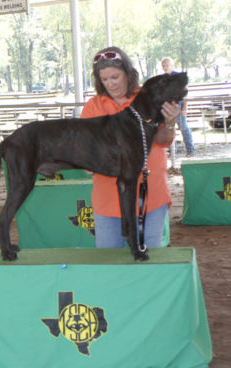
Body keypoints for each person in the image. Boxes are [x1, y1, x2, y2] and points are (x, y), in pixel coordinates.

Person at [81, 46, 180, 249]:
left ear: (127, 72)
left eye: (115, 77)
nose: (110, 84)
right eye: (105, 79)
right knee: (111, 266)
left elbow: (162, 140)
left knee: (149, 262)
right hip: (108, 203)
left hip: (150, 197)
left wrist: (169, 122)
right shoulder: (93, 106)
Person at [161, 57, 195, 157]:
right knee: (169, 129)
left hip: (179, 108)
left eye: (167, 65)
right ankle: (172, 152)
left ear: (172, 65)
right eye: (163, 65)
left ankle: (190, 150)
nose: (165, 67)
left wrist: (185, 107)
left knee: (184, 128)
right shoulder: (163, 79)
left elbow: (185, 93)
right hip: (168, 109)